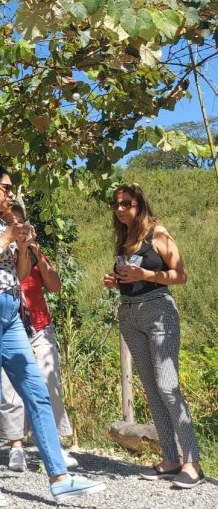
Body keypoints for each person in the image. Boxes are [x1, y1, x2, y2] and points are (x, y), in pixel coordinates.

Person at [0, 162, 104, 506]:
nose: (10, 194)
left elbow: (18, 275)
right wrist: (6, 239)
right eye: (5, 188)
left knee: (37, 391)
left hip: (9, 310)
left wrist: (23, 246)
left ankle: (59, 478)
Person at [103, 184, 203, 489]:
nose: (120, 209)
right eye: (116, 204)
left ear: (140, 205)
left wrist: (147, 275)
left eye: (126, 203)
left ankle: (193, 463)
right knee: (152, 389)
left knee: (168, 387)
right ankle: (171, 459)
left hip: (159, 310)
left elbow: (180, 275)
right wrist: (116, 281)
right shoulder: (125, 238)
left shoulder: (158, 233)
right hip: (129, 314)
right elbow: (130, 277)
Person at [0, 203, 77, 472]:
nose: (17, 228)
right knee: (9, 389)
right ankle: (15, 446)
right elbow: (17, 277)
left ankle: (52, 445)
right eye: (10, 223)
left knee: (49, 382)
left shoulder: (35, 252)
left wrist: (37, 253)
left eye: (20, 223)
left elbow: (55, 285)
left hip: (39, 325)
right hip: (9, 326)